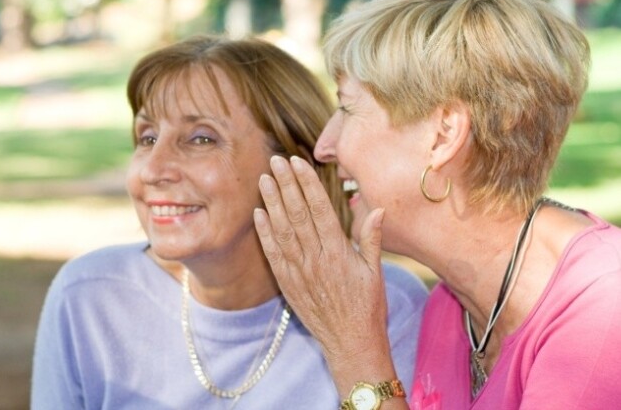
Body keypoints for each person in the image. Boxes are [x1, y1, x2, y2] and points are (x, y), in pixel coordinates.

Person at [254, 0, 621, 410]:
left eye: (348, 108)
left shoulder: (603, 309)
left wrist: (354, 349)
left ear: (443, 135)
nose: (323, 145)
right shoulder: (449, 311)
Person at [31, 35, 428, 409]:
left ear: (296, 164)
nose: (153, 170)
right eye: (148, 137)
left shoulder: (388, 304)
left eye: (201, 139)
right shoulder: (90, 297)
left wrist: (354, 346)